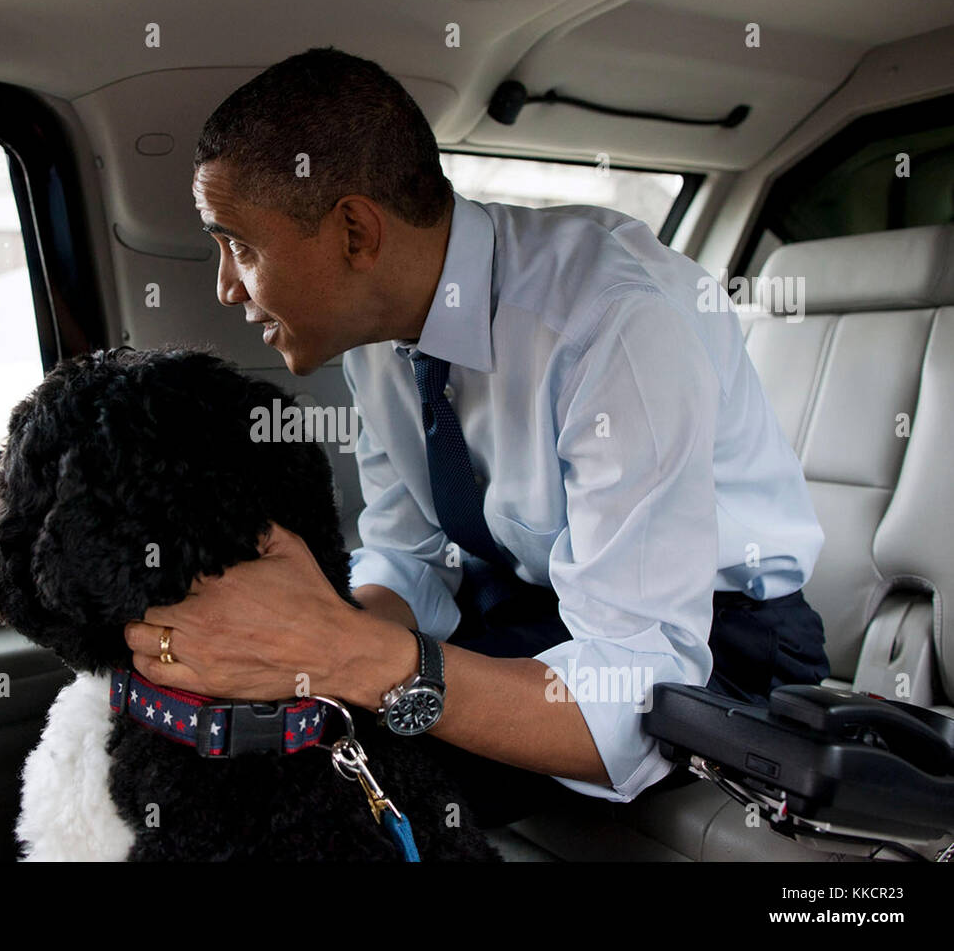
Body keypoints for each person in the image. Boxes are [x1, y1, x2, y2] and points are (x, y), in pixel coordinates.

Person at [122, 46, 832, 824]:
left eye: (243, 247)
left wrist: (345, 654)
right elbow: (409, 553)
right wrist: (309, 629)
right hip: (531, 606)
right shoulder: (379, 333)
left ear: (356, 232)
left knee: (329, 800)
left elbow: (629, 699)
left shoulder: (614, 326)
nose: (227, 287)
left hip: (719, 649)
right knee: (255, 747)